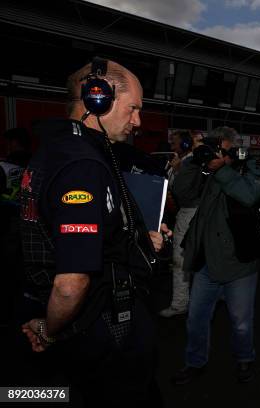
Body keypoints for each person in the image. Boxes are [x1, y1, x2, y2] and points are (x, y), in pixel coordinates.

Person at [18, 58, 171, 407]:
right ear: (98, 98)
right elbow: (72, 284)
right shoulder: (82, 165)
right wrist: (49, 329)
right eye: (133, 108)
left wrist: (138, 240)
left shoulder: (58, 150)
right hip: (100, 331)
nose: (138, 122)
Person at [173, 126, 260, 385]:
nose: (214, 154)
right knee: (196, 319)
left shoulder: (249, 167)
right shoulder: (205, 170)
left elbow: (250, 195)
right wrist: (194, 161)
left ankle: (245, 359)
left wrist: (221, 169)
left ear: (233, 151)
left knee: (241, 322)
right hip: (206, 261)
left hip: (239, 262)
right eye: (212, 149)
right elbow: (182, 193)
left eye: (219, 149)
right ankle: (194, 363)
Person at [160, 130, 202, 317]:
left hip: (190, 212)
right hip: (188, 213)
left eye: (174, 143)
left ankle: (180, 303)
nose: (171, 147)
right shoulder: (182, 161)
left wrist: (177, 170)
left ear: (185, 145)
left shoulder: (190, 163)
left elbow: (180, 191)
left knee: (180, 258)